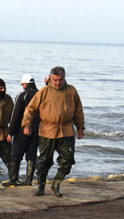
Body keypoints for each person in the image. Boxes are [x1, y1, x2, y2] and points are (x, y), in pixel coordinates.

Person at [22, 66, 84, 197]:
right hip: (47, 131)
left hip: (66, 131)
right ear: (50, 78)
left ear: (64, 78)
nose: (57, 83)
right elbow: (30, 109)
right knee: (44, 161)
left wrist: (80, 127)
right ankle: (41, 186)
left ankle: (56, 183)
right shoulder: (44, 91)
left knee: (68, 159)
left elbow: (79, 110)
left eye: (60, 80)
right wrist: (26, 124)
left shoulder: (72, 91)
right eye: (55, 80)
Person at [8, 74, 40, 186]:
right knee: (31, 156)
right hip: (37, 130)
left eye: (23, 84)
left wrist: (10, 132)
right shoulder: (41, 94)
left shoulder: (22, 95)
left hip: (23, 129)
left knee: (15, 155)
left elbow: (15, 115)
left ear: (25, 84)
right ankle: (28, 182)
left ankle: (13, 180)